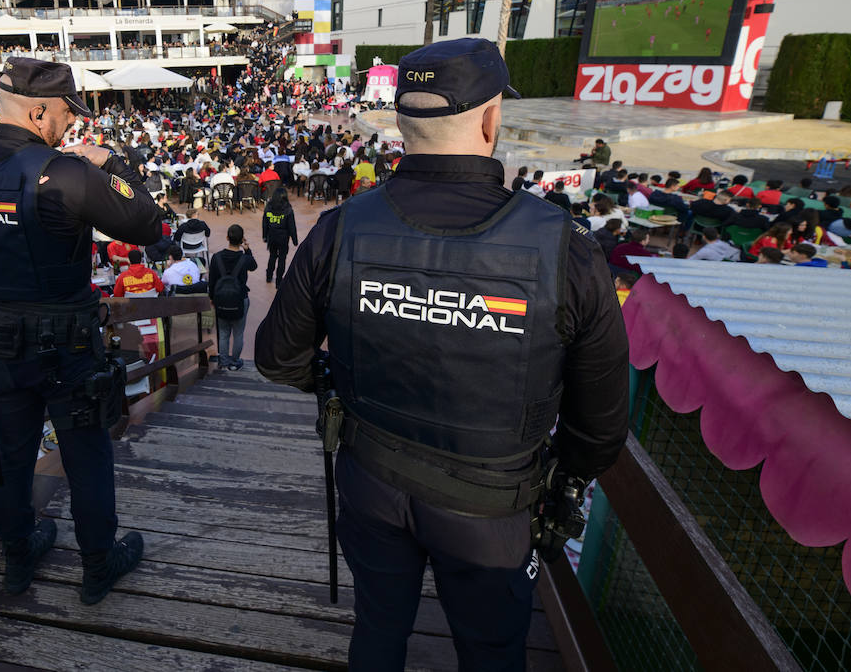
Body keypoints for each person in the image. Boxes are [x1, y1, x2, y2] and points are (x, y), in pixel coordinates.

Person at [254, 37, 628, 671]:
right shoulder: (566, 249)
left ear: (402, 123)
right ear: (490, 119)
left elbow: (276, 357)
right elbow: (601, 429)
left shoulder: (341, 227)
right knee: (491, 653)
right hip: (494, 509)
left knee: (377, 631)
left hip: (370, 480)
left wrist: (336, 380)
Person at [0, 56, 160, 604]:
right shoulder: (64, 172)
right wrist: (112, 162)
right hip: (67, 344)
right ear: (40, 110)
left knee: (10, 453)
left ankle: (18, 559)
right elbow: (147, 222)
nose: (72, 125)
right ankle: (97, 565)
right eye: (67, 114)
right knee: (86, 453)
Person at [208, 223, 257, 371]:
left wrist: (212, 299)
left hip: (221, 299)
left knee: (223, 333)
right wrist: (247, 250)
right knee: (238, 333)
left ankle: (223, 361)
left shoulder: (216, 258)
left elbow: (212, 281)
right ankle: (235, 362)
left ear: (227, 237)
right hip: (240, 298)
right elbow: (253, 266)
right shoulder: (244, 259)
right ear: (241, 239)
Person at [261, 183, 298, 288]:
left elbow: (264, 222)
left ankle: (269, 276)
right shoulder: (288, 209)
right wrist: (294, 240)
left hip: (271, 236)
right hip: (283, 237)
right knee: (282, 259)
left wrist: (264, 235)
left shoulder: (268, 207)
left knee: (272, 256)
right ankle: (278, 281)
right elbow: (292, 226)